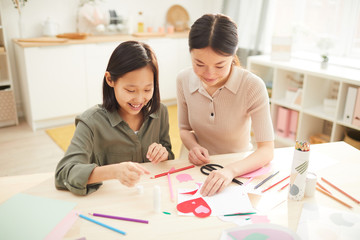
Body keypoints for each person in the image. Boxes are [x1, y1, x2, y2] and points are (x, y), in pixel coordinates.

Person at [55, 41, 174, 196]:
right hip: (109, 202)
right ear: (110, 80)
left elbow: (169, 157)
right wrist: (113, 171)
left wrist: (164, 154)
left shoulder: (160, 112)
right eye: (130, 90)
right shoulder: (90, 122)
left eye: (147, 89)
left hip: (148, 198)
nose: (139, 99)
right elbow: (63, 173)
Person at [177, 14, 274, 197]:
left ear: (233, 54)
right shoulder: (183, 79)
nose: (210, 74)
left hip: (239, 168)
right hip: (195, 167)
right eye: (199, 64)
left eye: (220, 65)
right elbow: (184, 129)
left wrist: (230, 171)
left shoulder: (252, 86)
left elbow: (266, 150)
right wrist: (193, 146)